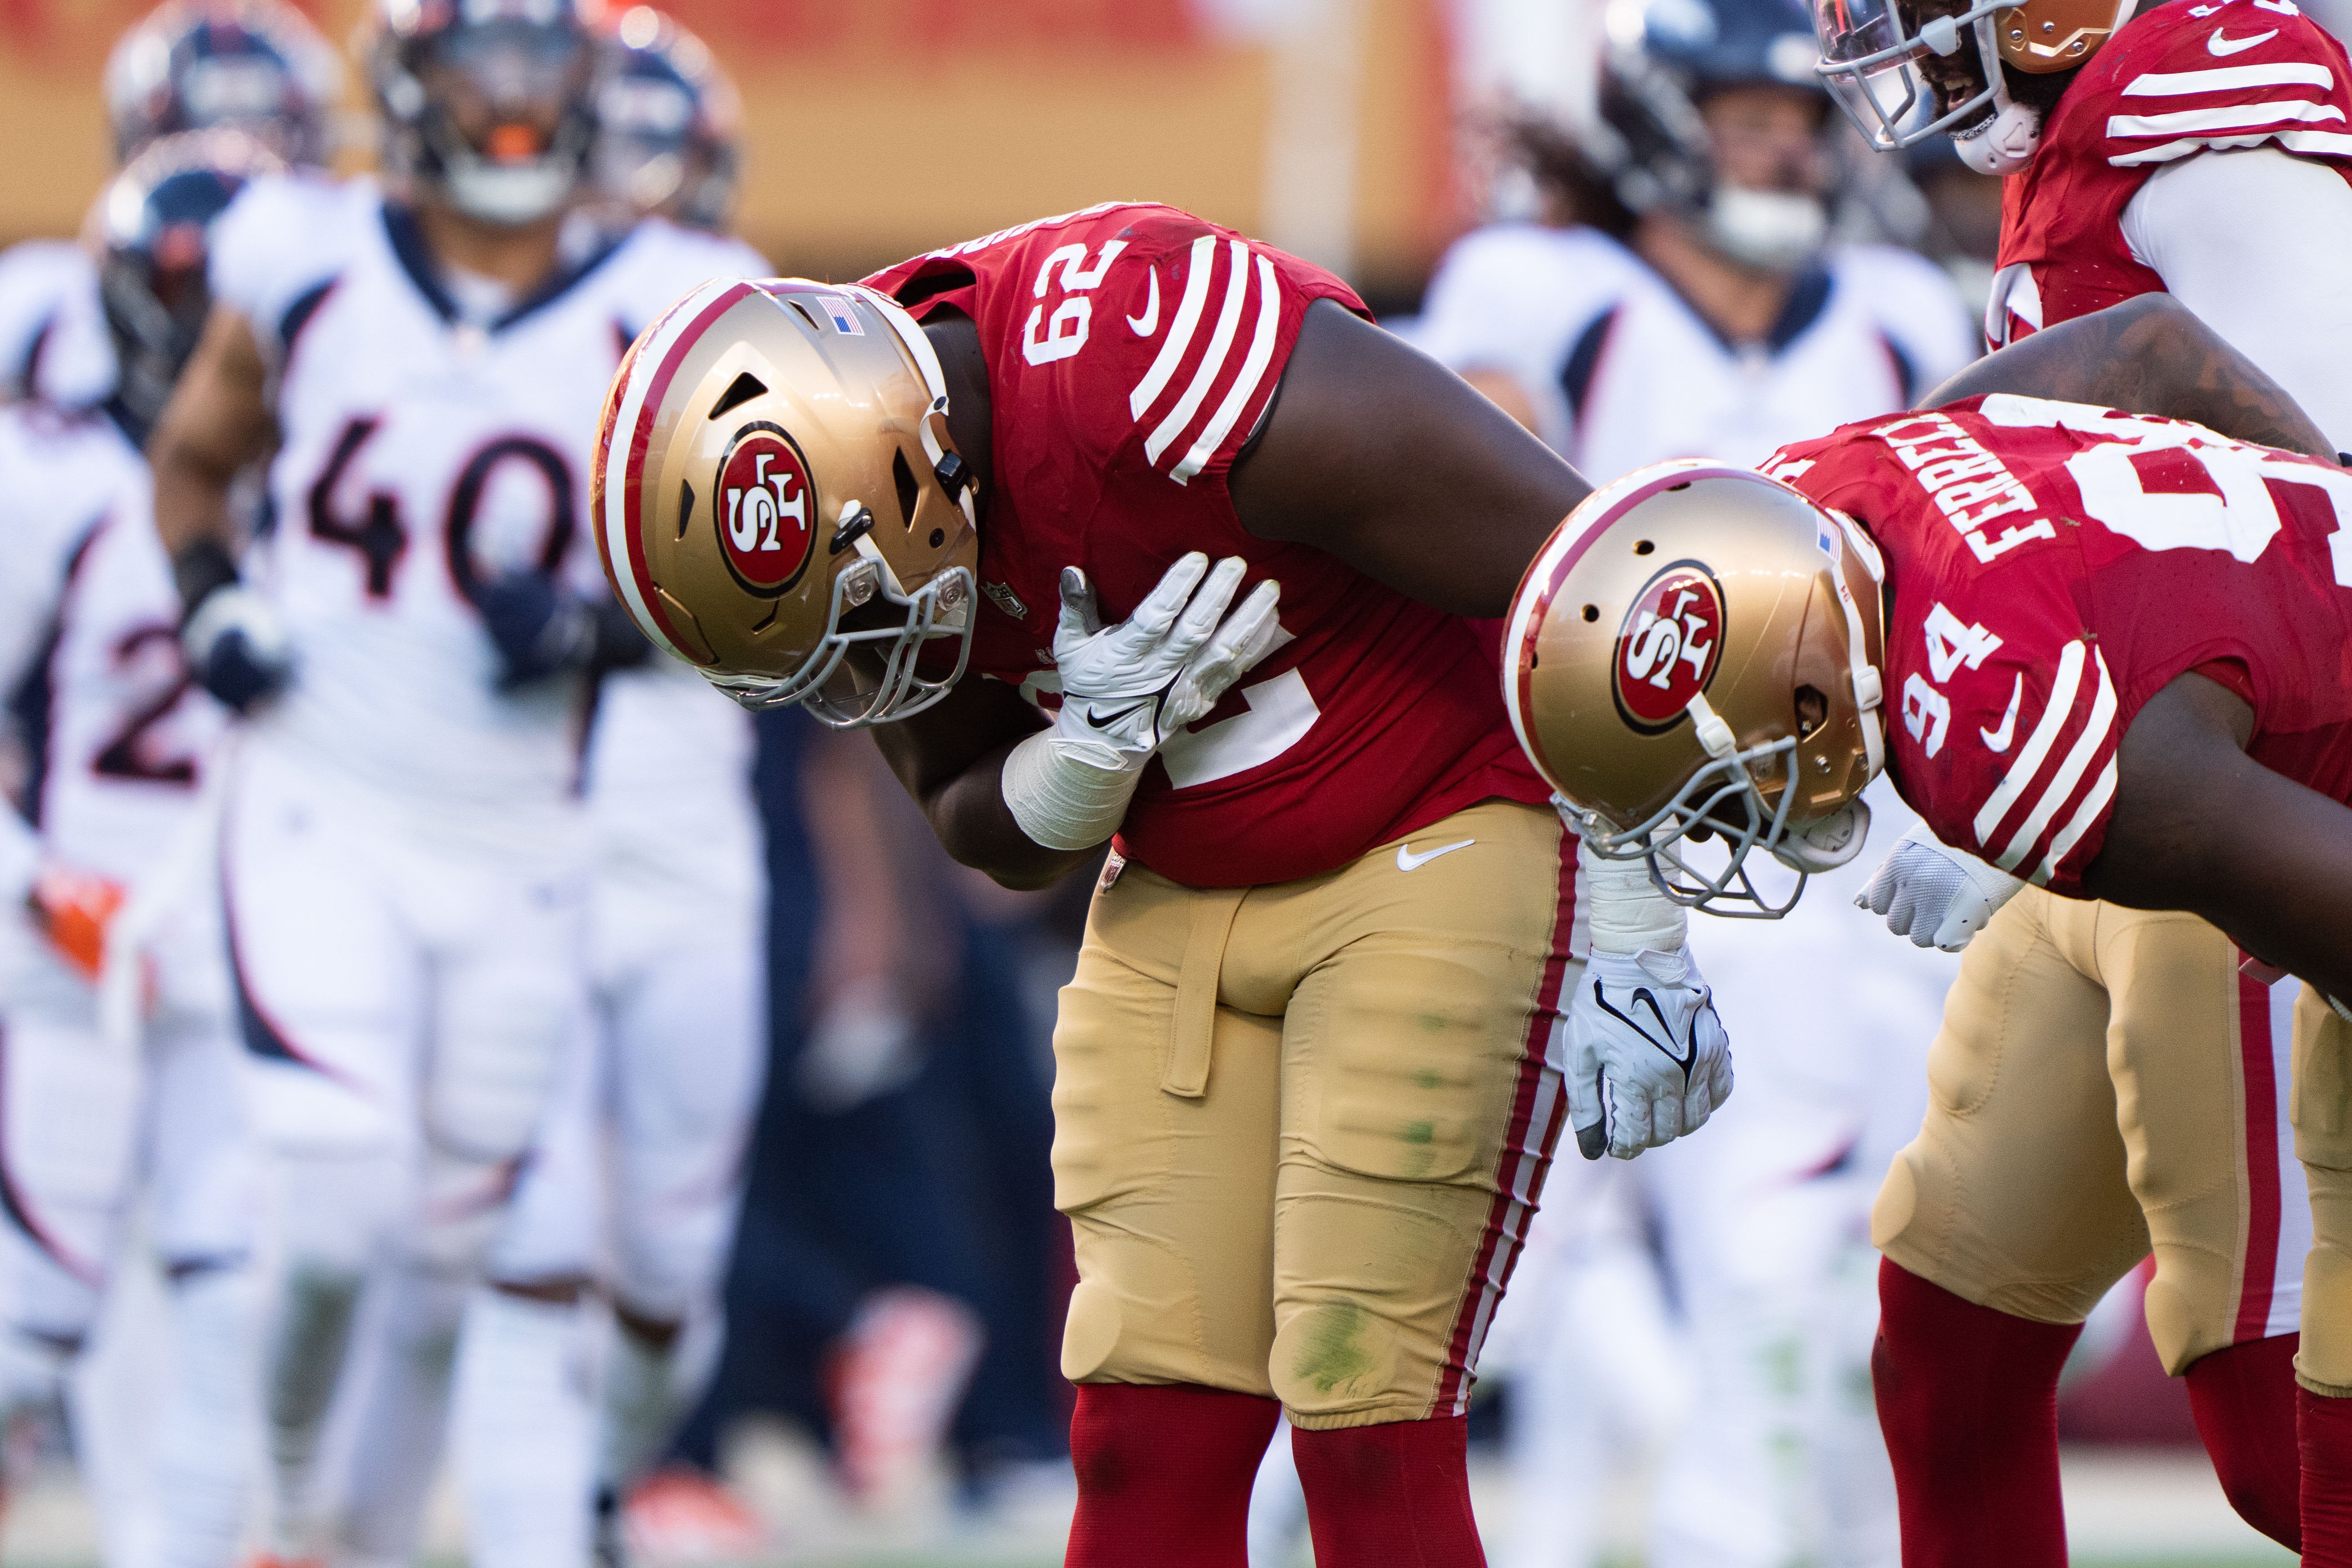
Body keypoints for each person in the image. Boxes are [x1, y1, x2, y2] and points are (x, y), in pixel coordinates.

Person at [590, 202, 1756, 1565]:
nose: (858, 673)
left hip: (1434, 818)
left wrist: (1633, 893)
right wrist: (1083, 760)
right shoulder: (884, 472)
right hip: (1185, 876)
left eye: (853, 627)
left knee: (1361, 1408)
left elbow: (1592, 568)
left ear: (915, 468)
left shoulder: (1138, 357)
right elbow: (974, 815)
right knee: (1143, 1433)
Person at [1502, 295, 2352, 1568]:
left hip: (2282, 845)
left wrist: (2068, 806)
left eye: (1727, 790)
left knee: (2298, 1463)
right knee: (1945, 1344)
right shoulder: (1810, 485)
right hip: (2163, 806)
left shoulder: (2003, 742)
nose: (1744, 828)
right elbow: (2145, 347)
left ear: (1797, 680)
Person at [142, 2, 765, 1560]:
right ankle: (284, 1509)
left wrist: (606, 630)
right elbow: (196, 457)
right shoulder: (304, 255)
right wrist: (215, 598)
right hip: (319, 806)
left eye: (532, 80)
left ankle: (380, 1522)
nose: (503, 115)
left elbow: (771, 576)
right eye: (473, 81)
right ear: (408, 94)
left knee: (457, 1257)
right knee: (340, 1204)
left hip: (524, 845)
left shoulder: (680, 305)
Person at [1413, 1, 1973, 1560]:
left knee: (1799, 1272)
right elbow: (1463, 537)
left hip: (1816, 867)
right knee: (1481, 1286)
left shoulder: (1893, 311)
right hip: (1573, 846)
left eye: (1800, 119)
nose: (1788, 145)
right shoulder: (1535, 290)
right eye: (1748, 115)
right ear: (1664, 123)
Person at [1803, 0, 2352, 1552]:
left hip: (2219, 804)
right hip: (2091, 809)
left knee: (2273, 1439)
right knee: (1946, 1338)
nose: (1894, 27)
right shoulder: (2079, 129)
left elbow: (2331, 479)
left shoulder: (2201, 84)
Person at [448, 12, 772, 1564]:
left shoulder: (749, 336)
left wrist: (606, 626)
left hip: (684, 853)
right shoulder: (463, 323)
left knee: (664, 1279)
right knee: (533, 1247)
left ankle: (595, 1489)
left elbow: (818, 596)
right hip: (511, 843)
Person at [0, 128, 276, 1568]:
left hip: (233, 943)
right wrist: (33, 885)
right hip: (75, 935)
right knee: (33, 1317)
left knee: (237, 1284)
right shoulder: (39, 477)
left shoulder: (309, 480)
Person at [0, 0, 341, 410]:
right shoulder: (34, 308)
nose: (220, 181)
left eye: (260, 144)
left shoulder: (353, 304)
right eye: (181, 148)